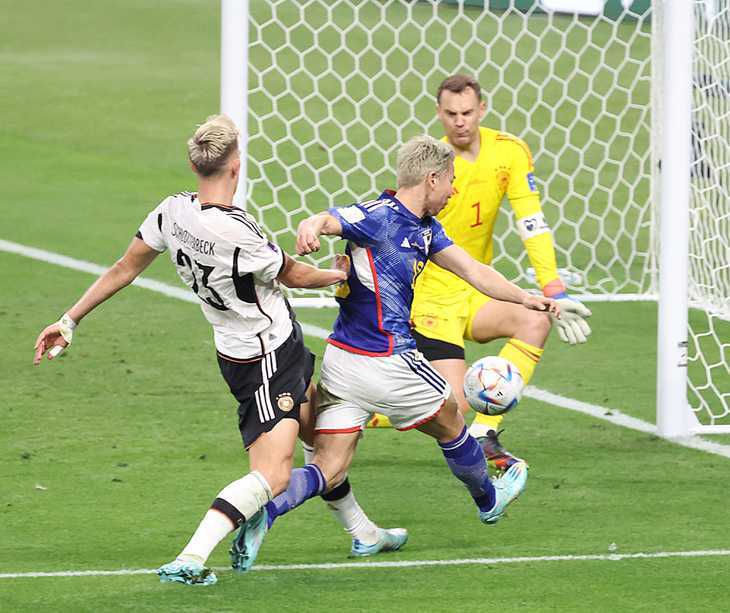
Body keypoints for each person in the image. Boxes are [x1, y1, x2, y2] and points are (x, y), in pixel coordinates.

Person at [32, 114, 349, 587]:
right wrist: (341, 275)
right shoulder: (238, 232)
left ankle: (363, 532)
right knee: (274, 475)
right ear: (236, 165)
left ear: (195, 165)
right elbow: (295, 275)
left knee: (317, 426)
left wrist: (69, 319)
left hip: (238, 351)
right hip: (267, 357)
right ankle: (192, 556)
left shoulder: (173, 211)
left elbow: (124, 267)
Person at [226, 135, 561, 573]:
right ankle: (489, 500)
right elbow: (330, 219)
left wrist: (526, 298)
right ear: (432, 178)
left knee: (329, 465)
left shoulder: (426, 229)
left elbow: (473, 271)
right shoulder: (378, 217)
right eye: (450, 182)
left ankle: (265, 513)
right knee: (452, 417)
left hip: (342, 363)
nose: (454, 191)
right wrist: (311, 226)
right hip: (388, 358)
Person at [371, 74, 593, 474]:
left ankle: (485, 433)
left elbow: (531, 223)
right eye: (451, 113)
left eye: (467, 112)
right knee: (452, 407)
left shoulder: (510, 153)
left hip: (476, 290)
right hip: (430, 296)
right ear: (439, 113)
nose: (460, 121)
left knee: (534, 319)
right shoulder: (431, 166)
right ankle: (366, 411)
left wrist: (553, 289)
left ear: (482, 109)